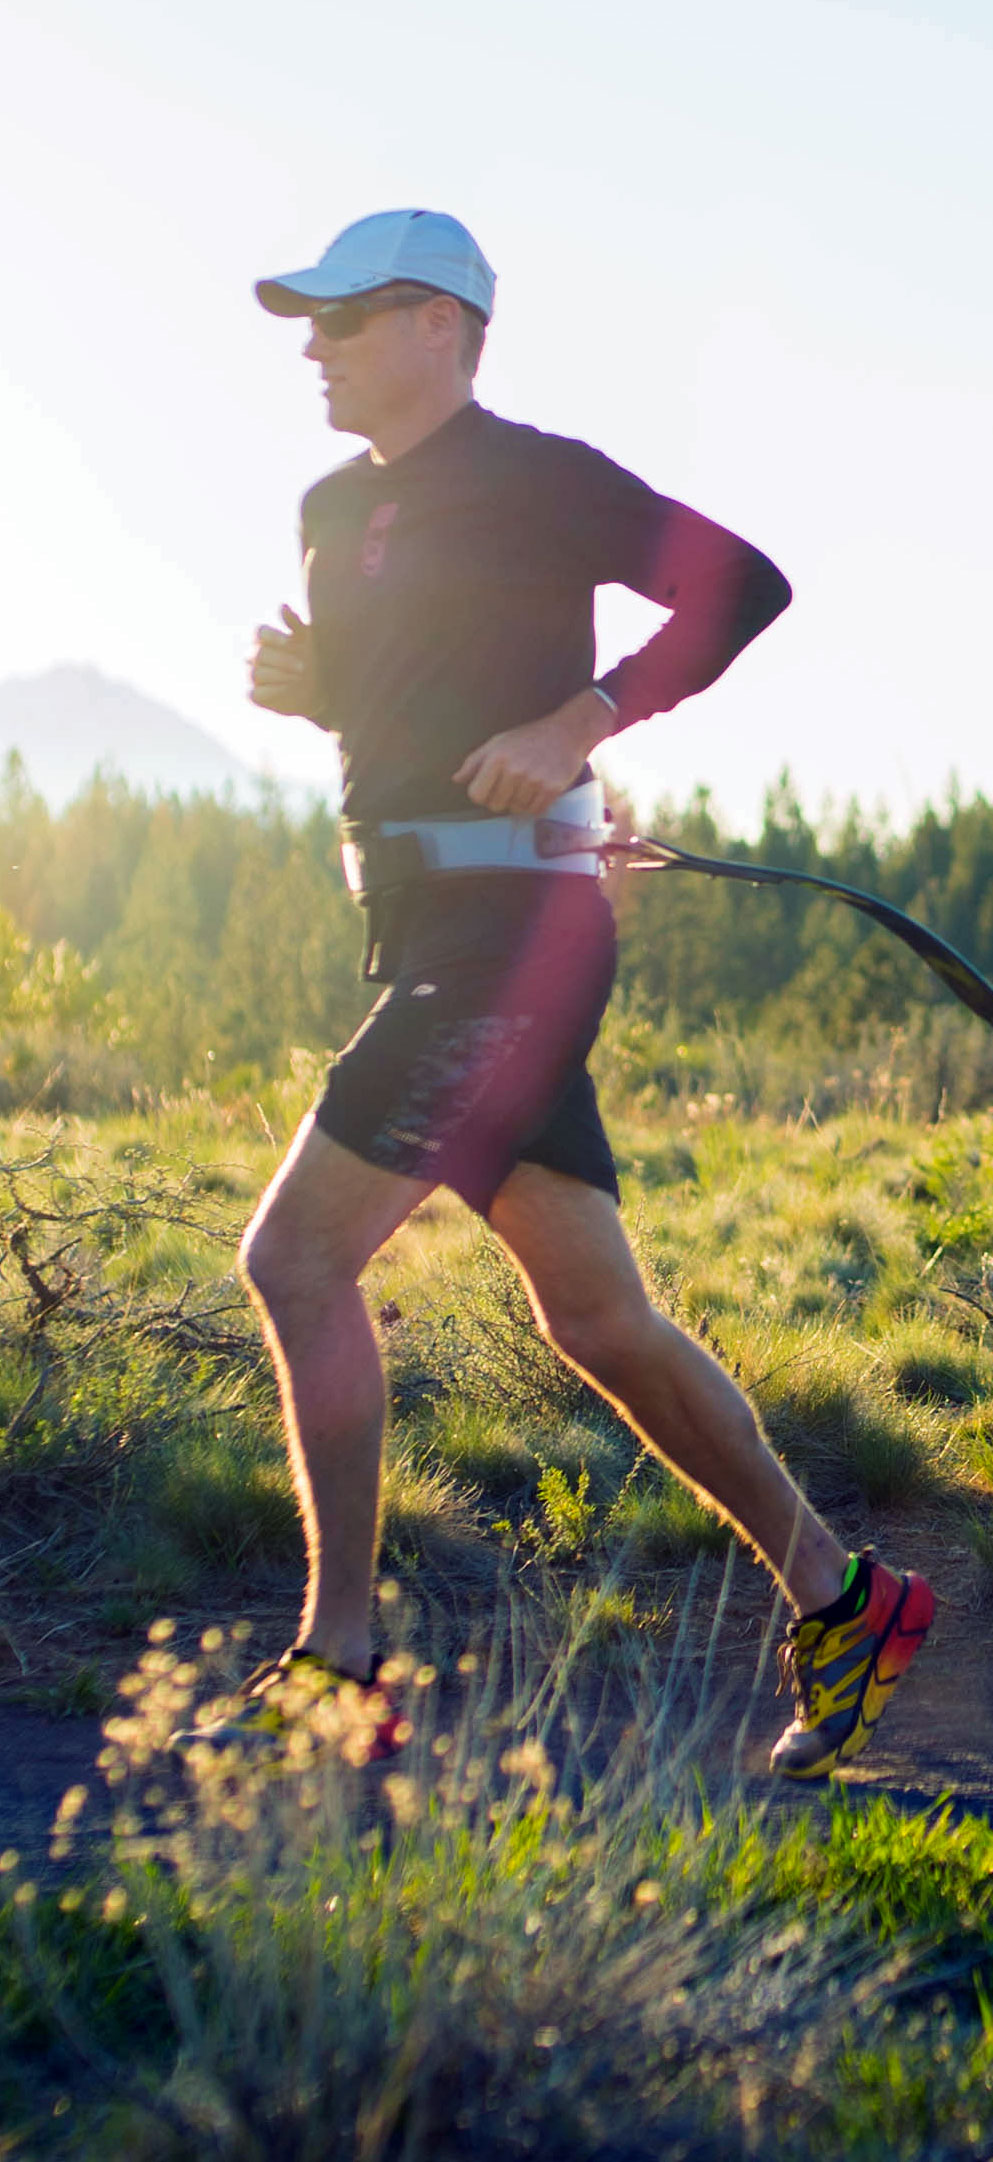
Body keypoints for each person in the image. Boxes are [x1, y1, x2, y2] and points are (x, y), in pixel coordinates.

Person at [191, 209, 932, 1779]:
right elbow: (412, 696)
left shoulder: (542, 476)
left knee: (295, 1259)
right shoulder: (330, 505)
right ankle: (844, 1595)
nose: (312, 348)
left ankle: (340, 1660)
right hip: (416, 919)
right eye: (306, 324)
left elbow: (745, 587)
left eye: (342, 318)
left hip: (510, 937)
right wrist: (315, 687)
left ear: (443, 325)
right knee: (596, 1315)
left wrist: (583, 714)